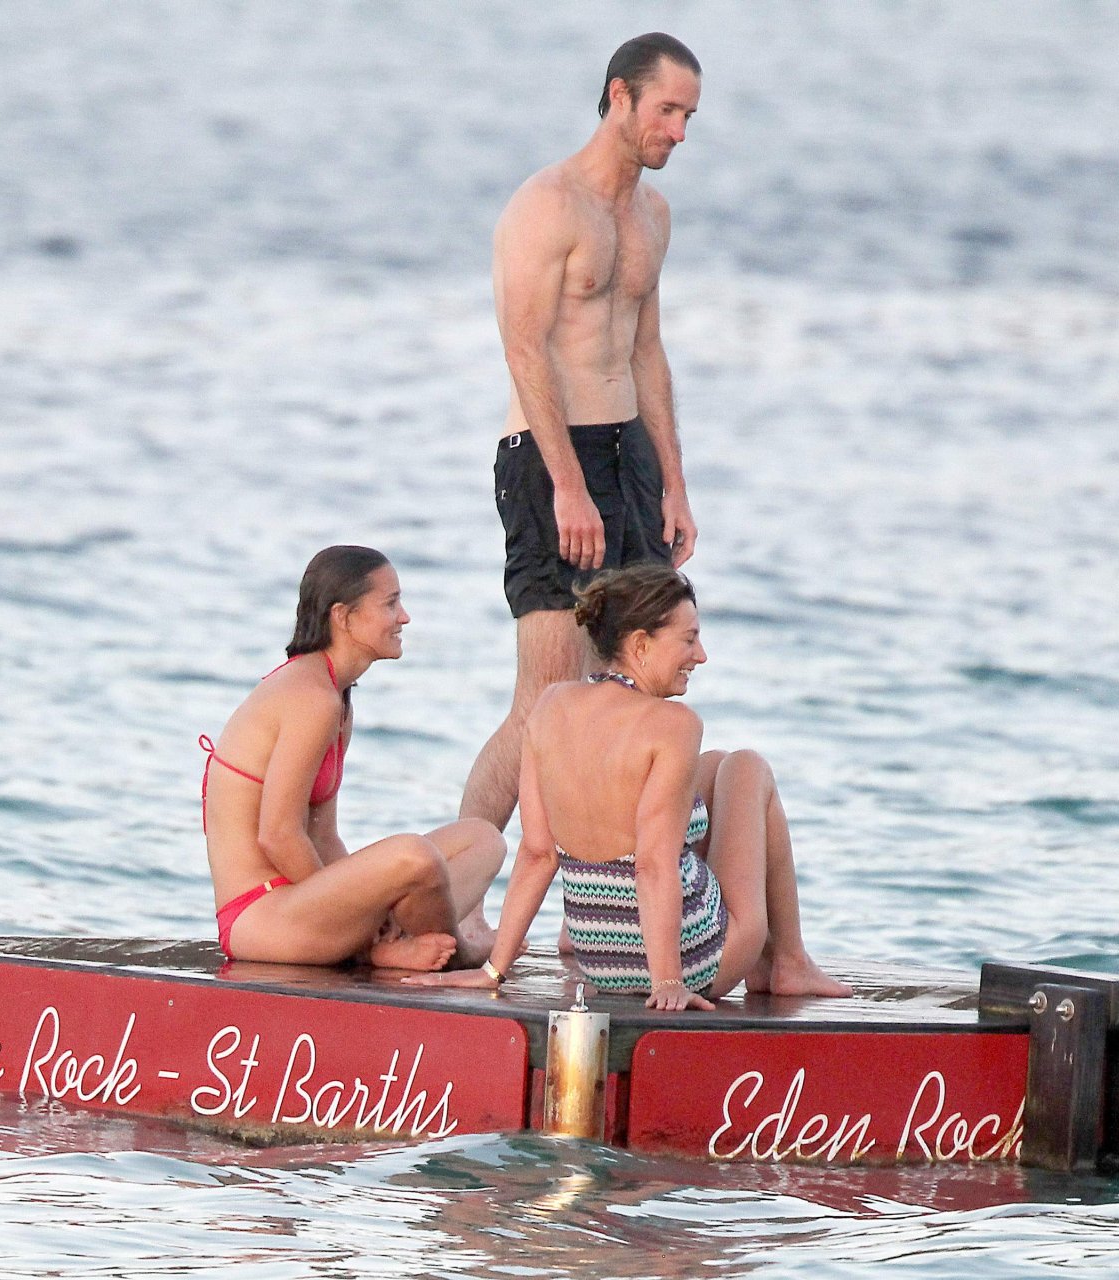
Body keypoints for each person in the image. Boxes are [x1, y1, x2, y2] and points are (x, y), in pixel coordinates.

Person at [459, 33, 705, 832]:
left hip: (630, 457)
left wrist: (672, 483)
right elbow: (524, 348)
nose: (678, 131)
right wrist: (567, 485)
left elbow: (646, 351)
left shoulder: (651, 215)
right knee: (546, 699)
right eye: (667, 110)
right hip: (548, 455)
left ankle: (595, 891)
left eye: (689, 116)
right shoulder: (547, 205)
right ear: (619, 96)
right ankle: (457, 873)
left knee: (627, 695)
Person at [412, 564, 851, 1011]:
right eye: (689, 640)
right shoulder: (674, 725)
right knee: (746, 767)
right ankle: (789, 961)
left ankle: (769, 961)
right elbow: (653, 865)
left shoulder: (551, 706)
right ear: (640, 645)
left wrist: (494, 971)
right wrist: (668, 982)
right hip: (695, 959)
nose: (701, 656)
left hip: (601, 961)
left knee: (714, 766)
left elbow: (538, 854)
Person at [200, 545, 505, 968]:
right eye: (391, 603)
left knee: (482, 840)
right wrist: (357, 909)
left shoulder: (336, 696)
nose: (404, 617)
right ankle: (457, 955)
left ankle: (392, 946)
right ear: (343, 617)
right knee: (414, 855)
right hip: (261, 918)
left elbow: (324, 835)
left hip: (300, 905)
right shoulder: (312, 697)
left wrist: (365, 907)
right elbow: (278, 834)